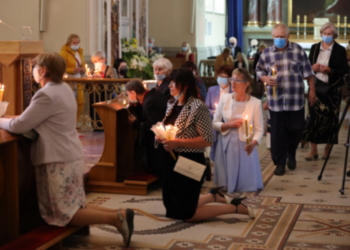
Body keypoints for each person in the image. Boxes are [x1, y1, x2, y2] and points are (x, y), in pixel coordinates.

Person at [0, 53, 134, 248]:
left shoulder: (46, 94)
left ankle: (116, 218)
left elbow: (20, 125)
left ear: (43, 71)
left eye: (35, 68)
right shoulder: (64, 88)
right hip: (69, 154)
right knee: (75, 204)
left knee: (63, 212)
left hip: (56, 159)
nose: (34, 73)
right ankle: (120, 213)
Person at [158, 68, 254, 221]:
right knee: (172, 207)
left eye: (173, 83)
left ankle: (235, 207)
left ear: (185, 85)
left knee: (187, 214)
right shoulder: (171, 104)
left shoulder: (197, 106)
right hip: (171, 159)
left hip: (189, 160)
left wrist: (177, 142)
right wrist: (162, 136)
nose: (169, 86)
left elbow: (208, 139)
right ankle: (212, 196)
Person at [256, 24, 316, 176]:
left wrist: (312, 90)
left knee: (296, 130)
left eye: (282, 36)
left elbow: (308, 72)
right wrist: (264, 78)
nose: (279, 39)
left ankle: (291, 152)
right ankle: (280, 163)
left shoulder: (298, 50)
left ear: (288, 36)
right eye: (276, 37)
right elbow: (259, 70)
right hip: (276, 101)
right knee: (277, 133)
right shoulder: (267, 53)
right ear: (272, 37)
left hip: (295, 100)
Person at [213, 68, 264, 193]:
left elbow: (259, 129)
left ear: (246, 83)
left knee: (244, 177)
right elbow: (214, 123)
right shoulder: (225, 98)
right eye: (232, 79)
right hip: (226, 141)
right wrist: (228, 125)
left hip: (245, 143)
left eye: (237, 80)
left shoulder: (255, 103)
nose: (233, 83)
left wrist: (254, 143)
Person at [303, 22, 348, 160]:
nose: (327, 36)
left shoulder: (340, 49)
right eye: (325, 33)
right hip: (315, 88)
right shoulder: (315, 47)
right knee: (313, 118)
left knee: (331, 119)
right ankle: (313, 149)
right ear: (321, 33)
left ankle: (328, 148)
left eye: (329, 34)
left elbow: (345, 70)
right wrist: (313, 68)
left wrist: (330, 70)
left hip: (332, 89)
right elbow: (306, 68)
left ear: (334, 35)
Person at [125, 80, 167, 177]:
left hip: (157, 141)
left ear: (133, 93)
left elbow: (152, 125)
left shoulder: (150, 102)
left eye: (128, 94)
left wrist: (135, 123)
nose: (128, 98)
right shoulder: (152, 95)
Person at [205, 65, 233, 161]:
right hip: (215, 121)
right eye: (220, 76)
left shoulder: (233, 91)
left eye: (224, 77)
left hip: (229, 122)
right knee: (215, 146)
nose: (221, 78)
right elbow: (206, 108)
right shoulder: (212, 90)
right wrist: (214, 112)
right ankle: (214, 161)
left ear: (229, 79)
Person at [59, 34, 86, 123]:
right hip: (69, 80)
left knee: (81, 102)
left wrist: (83, 68)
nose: (76, 44)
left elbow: (82, 63)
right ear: (69, 42)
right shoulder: (63, 52)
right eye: (74, 43)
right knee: (70, 103)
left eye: (78, 42)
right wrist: (73, 70)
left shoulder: (80, 51)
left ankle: (75, 121)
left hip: (79, 79)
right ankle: (68, 122)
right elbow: (60, 67)